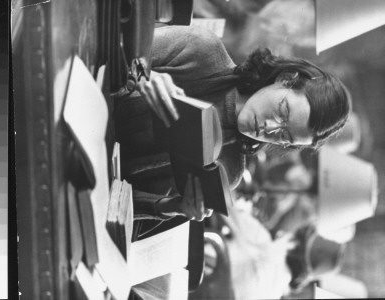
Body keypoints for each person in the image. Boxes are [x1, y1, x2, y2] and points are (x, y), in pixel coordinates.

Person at [115, 25, 351, 226]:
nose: (269, 129)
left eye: (284, 136)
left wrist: (171, 206)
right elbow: (107, 47)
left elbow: (118, 202)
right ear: (285, 79)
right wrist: (141, 76)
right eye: (282, 112)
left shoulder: (229, 171)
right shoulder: (201, 49)